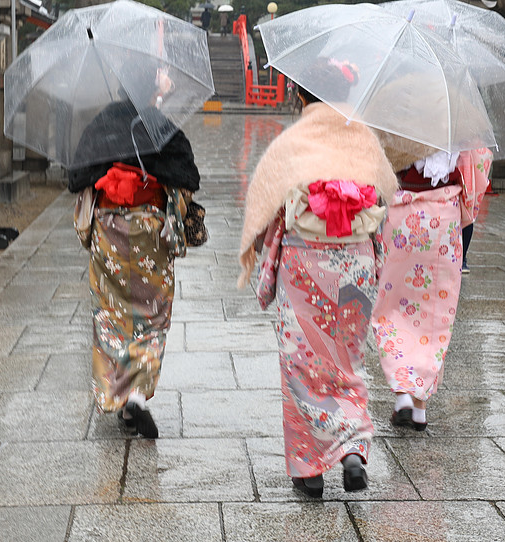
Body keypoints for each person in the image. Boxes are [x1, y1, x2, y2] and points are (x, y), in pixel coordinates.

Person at [237, 62, 397, 498]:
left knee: (302, 361)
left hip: (305, 264)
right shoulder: (363, 137)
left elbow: (267, 202)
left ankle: (309, 470)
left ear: (301, 97)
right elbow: (386, 193)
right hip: (356, 264)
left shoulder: (296, 140)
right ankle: (351, 447)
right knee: (348, 360)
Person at [68, 101, 204, 439]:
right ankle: (138, 395)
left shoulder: (101, 125)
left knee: (110, 313)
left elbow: (81, 182)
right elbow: (184, 183)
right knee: (151, 314)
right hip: (151, 229)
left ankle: (122, 396)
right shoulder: (160, 126)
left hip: (108, 228)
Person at [371, 147, 491, 431]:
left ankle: (403, 396)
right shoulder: (457, 120)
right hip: (443, 218)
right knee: (435, 314)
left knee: (394, 307)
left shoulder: (399, 115)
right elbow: (479, 168)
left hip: (401, 216)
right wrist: (466, 210)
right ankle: (420, 406)